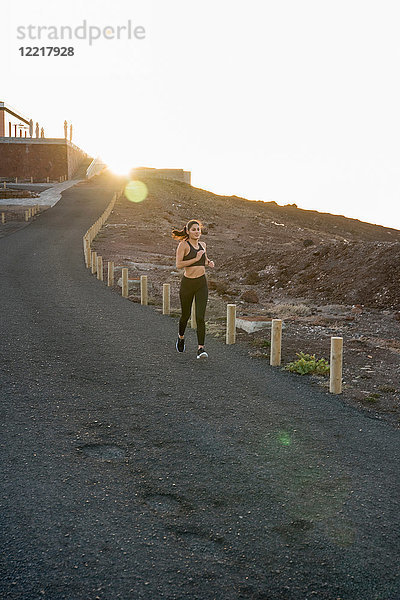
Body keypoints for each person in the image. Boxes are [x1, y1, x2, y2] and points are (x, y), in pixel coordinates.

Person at [172, 220, 215, 358]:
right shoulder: (183, 245)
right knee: (185, 315)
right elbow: (179, 265)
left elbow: (204, 259)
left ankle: (201, 349)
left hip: (201, 283)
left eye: (198, 229)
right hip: (187, 284)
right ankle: (181, 337)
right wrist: (195, 258)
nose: (197, 232)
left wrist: (209, 262)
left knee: (200, 317)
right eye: (194, 229)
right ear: (188, 231)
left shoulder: (203, 245)